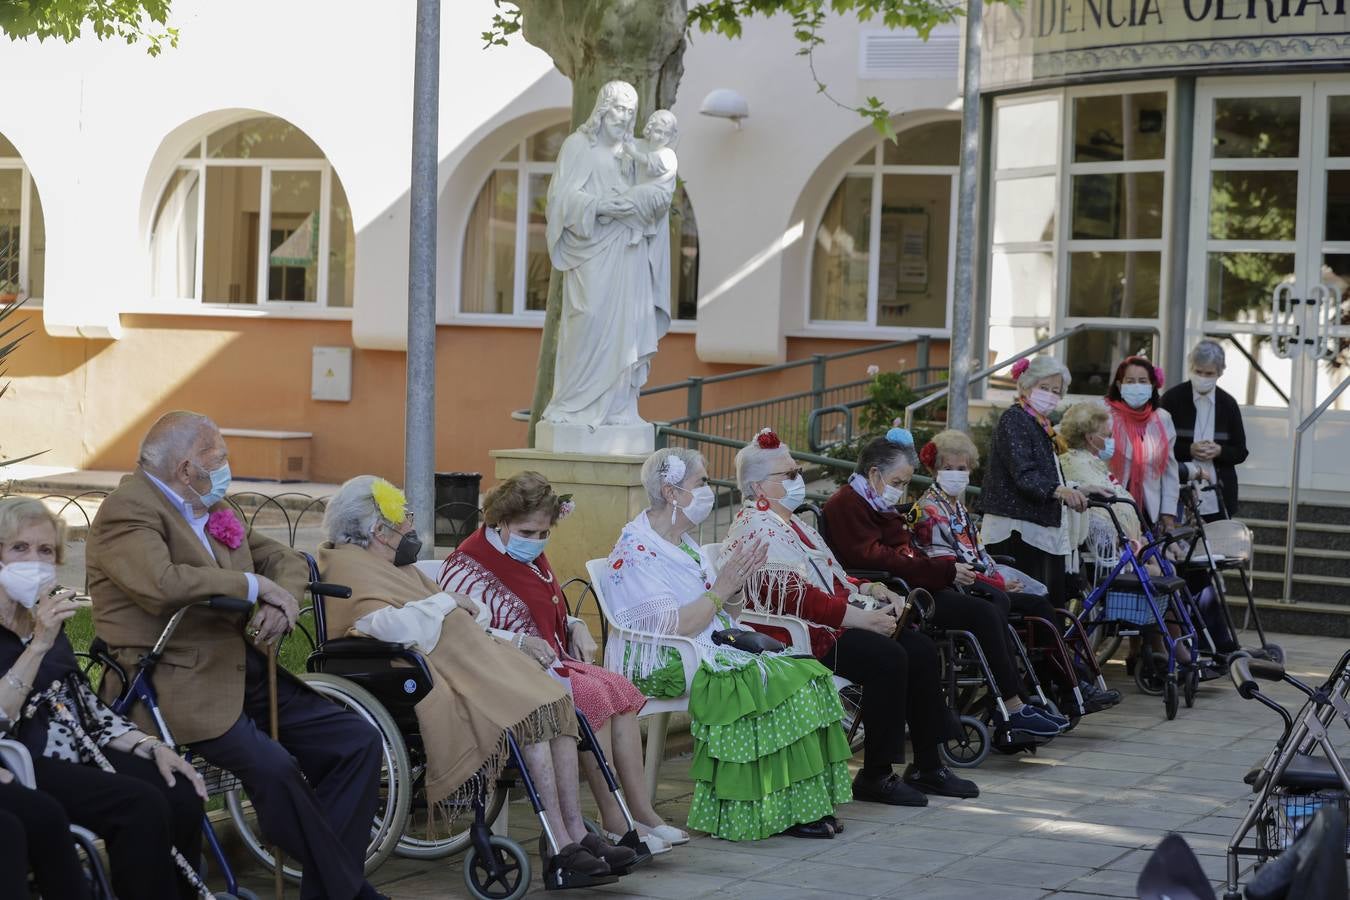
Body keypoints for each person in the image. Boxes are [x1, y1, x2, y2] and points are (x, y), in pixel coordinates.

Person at [87, 411, 386, 900]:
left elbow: (283, 560)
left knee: (355, 742)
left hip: (239, 666)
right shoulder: (128, 510)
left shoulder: (210, 505)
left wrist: (280, 601)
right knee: (275, 769)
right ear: (186, 468)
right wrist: (252, 586)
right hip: (171, 678)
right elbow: (160, 584)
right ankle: (350, 892)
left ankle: (332, 887)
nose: (226, 465)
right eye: (218, 456)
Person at [318, 476, 636, 877]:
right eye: (404, 521)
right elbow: (380, 625)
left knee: (553, 705)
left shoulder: (394, 566)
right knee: (529, 714)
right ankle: (560, 848)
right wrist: (445, 602)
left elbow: (464, 617)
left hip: (452, 662)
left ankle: (573, 832)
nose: (411, 528)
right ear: (378, 532)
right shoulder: (349, 565)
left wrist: (463, 615)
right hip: (411, 676)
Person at [741, 426, 1061, 764]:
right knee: (891, 655)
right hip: (805, 636)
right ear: (758, 485)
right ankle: (879, 773)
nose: (797, 479)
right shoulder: (759, 529)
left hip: (836, 617)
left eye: (798, 471)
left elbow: (835, 574)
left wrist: (870, 589)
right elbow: (799, 597)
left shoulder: (793, 524)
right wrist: (862, 616)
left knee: (921, 646)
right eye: (789, 473)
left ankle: (929, 764)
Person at [604, 447, 853, 841]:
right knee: (774, 684)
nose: (708, 489)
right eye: (701, 483)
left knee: (808, 675)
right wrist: (722, 589)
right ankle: (759, 811)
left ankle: (798, 805)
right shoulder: (638, 550)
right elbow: (677, 625)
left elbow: (725, 615)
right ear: (672, 493)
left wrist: (735, 584)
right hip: (666, 657)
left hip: (709, 642)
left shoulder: (683, 542)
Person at [438, 472, 688, 854]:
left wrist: (575, 625)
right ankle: (615, 822)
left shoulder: (527, 552)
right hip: (506, 671)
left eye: (543, 533)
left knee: (620, 690)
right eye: (528, 532)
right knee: (593, 696)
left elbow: (548, 606)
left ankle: (641, 813)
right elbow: (466, 632)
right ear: (499, 521)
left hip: (552, 660)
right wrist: (519, 641)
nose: (537, 542)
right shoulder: (469, 566)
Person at [0, 496, 206, 899]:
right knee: (139, 805)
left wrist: (149, 745)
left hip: (80, 747)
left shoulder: (42, 615)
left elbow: (86, 707)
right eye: (19, 548)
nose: (35, 560)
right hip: (27, 756)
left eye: (45, 551)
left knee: (179, 789)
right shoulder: (41, 630)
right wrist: (36, 646)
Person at [914, 429, 1120, 712]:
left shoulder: (958, 508)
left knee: (1042, 606)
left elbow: (980, 555)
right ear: (934, 470)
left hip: (981, 582)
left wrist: (999, 579)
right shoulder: (929, 508)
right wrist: (997, 584)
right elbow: (949, 563)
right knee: (1034, 607)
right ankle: (1064, 689)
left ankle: (1071, 686)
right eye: (948, 468)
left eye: (961, 468)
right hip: (959, 586)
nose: (956, 474)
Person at [980, 355, 1093, 609]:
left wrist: (1077, 488)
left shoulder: (1041, 424)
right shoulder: (1015, 419)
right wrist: (1059, 490)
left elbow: (1048, 471)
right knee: (1031, 606)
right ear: (1025, 386)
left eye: (1056, 391)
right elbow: (1024, 473)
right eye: (1044, 388)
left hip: (1036, 527)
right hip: (1017, 529)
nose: (1050, 395)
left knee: (1047, 605)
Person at [1161, 339, 1248, 520]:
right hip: (1176, 491)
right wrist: (1189, 449)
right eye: (1198, 372)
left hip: (1218, 493)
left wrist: (1220, 451)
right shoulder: (1172, 399)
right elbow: (1157, 447)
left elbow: (1241, 452)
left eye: (1209, 373)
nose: (1202, 377)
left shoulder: (1228, 404)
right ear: (1190, 368)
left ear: (1220, 372)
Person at [1105, 355, 1181, 532]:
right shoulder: (1105, 416)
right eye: (1130, 381)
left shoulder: (1163, 419)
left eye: (1142, 381)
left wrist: (1168, 513)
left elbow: (1170, 471)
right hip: (1110, 505)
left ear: (1152, 385)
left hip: (1148, 509)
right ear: (1119, 384)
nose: (1136, 386)